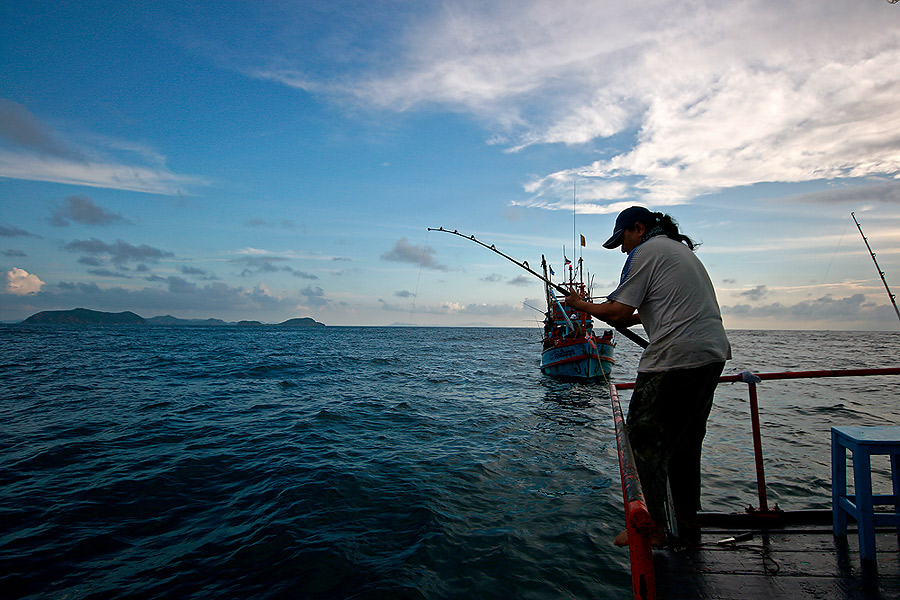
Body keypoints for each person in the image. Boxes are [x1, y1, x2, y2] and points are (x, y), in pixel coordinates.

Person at [566, 206, 731, 547]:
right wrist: (630, 316)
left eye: (623, 240)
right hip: (710, 356)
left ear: (638, 229)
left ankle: (653, 527)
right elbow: (657, 307)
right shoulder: (677, 250)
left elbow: (619, 309)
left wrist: (580, 305)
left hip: (676, 358)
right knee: (685, 445)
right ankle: (688, 521)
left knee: (640, 441)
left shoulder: (645, 251)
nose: (623, 249)